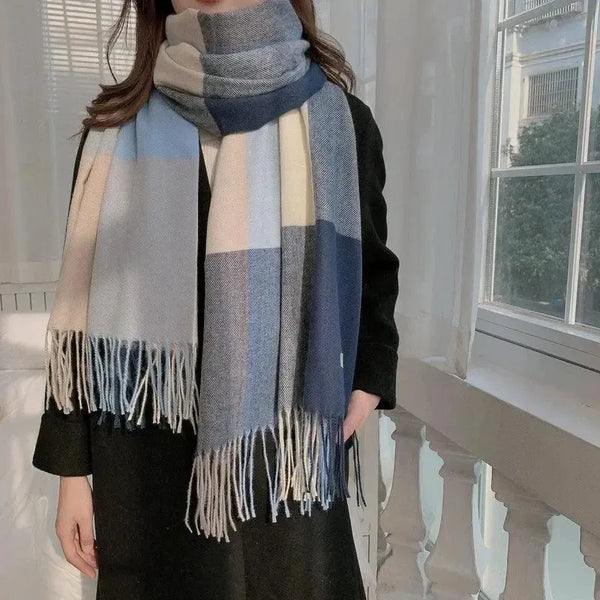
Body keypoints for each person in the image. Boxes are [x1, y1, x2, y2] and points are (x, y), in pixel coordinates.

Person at [32, 1, 400, 599]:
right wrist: (72, 473)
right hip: (147, 453)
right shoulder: (113, 130)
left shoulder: (340, 121)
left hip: (281, 449)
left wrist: (369, 380)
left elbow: (375, 273)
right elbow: (81, 314)